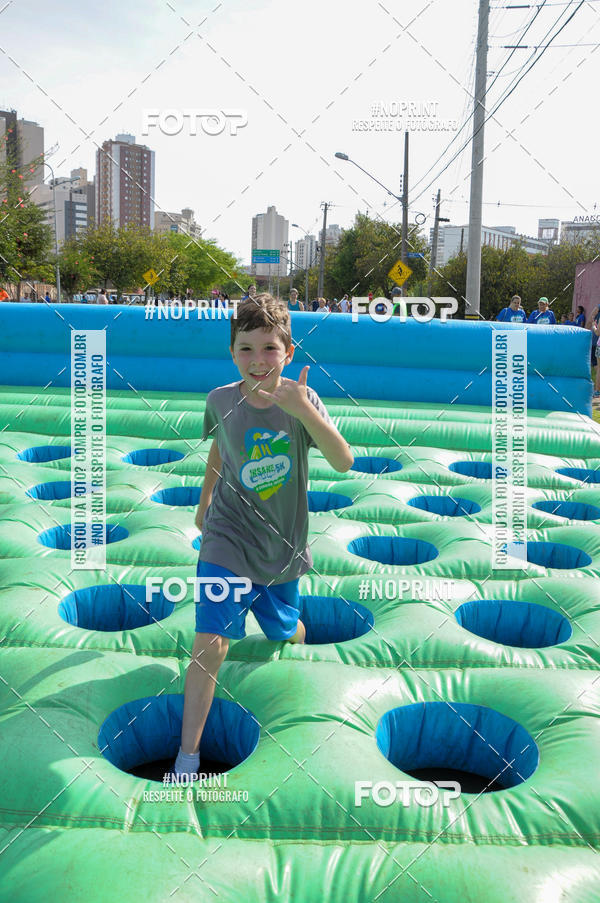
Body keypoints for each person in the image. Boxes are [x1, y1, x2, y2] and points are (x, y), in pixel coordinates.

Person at [172, 294, 353, 781]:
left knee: (282, 631)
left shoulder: (302, 401)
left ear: (288, 353)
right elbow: (221, 447)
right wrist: (204, 501)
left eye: (269, 349)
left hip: (280, 548)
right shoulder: (220, 400)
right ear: (232, 352)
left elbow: (343, 460)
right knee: (209, 641)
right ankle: (187, 756)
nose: (258, 360)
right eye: (246, 349)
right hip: (226, 538)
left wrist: (305, 411)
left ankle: (297, 639)